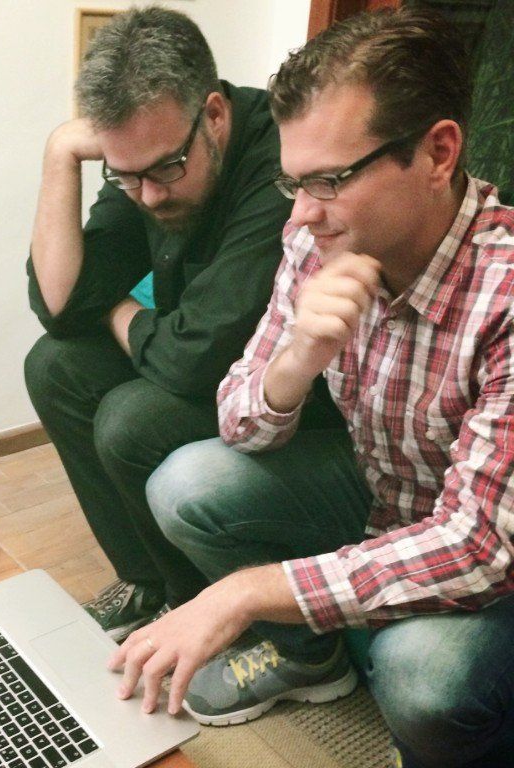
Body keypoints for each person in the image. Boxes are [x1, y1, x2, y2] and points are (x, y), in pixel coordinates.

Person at [110, 8, 514, 768]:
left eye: (328, 179)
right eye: (292, 181)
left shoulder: (506, 290)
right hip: (385, 499)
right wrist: (296, 359)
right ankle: (311, 658)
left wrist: (244, 594)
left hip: (492, 554)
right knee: (185, 481)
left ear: (437, 151)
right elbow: (237, 416)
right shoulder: (318, 238)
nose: (300, 213)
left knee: (420, 675)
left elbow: (480, 547)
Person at [25, 7, 339, 640]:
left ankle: (208, 608)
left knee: (130, 419)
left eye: (166, 170)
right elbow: (60, 308)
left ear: (214, 117)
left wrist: (114, 307)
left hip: (298, 400)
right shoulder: (150, 156)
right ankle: (154, 587)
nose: (149, 195)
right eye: (125, 175)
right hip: (203, 366)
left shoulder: (277, 165)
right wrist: (61, 154)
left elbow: (194, 357)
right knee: (54, 367)